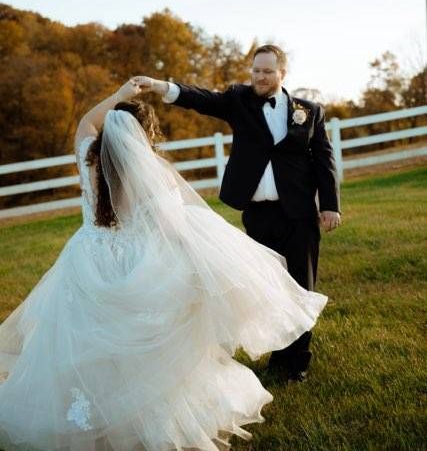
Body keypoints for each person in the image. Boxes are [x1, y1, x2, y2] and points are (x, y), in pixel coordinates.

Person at [0, 77, 328, 451]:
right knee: (149, 348)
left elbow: (86, 122)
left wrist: (118, 96)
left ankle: (95, 419)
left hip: (88, 259)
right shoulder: (151, 172)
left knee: (89, 344)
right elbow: (170, 224)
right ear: (144, 136)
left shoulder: (87, 153)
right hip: (136, 262)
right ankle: (145, 420)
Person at [138, 44, 341, 383]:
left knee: (301, 286)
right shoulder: (238, 100)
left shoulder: (309, 111)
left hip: (299, 214)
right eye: (256, 70)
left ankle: (297, 362)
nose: (260, 77)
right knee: (267, 287)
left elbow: (324, 160)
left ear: (282, 73)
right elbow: (201, 98)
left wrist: (330, 204)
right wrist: (161, 86)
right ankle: (277, 357)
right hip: (258, 215)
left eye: (267, 71)